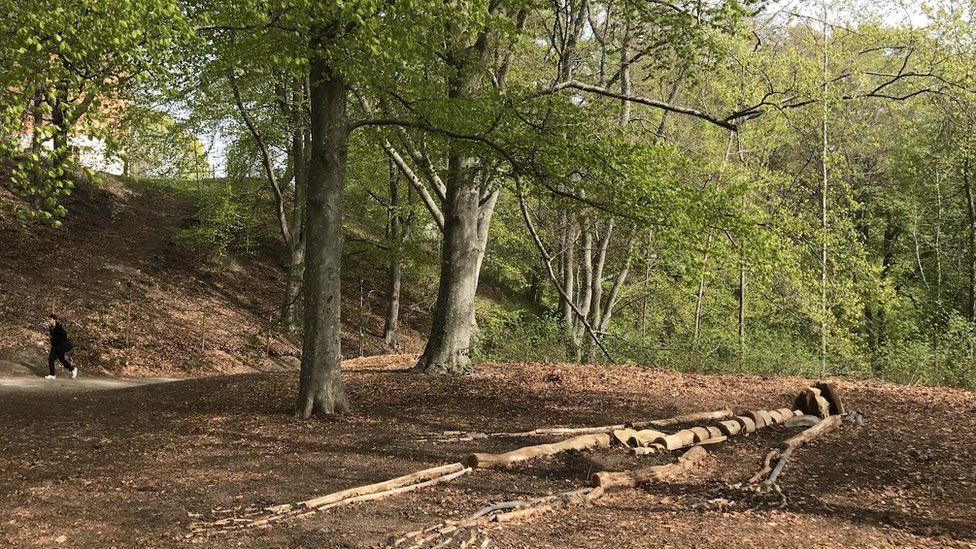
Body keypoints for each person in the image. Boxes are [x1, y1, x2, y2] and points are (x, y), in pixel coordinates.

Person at [45, 314, 78, 380]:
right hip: (55, 346)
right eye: (49, 319)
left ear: (54, 320)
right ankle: (52, 374)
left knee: (62, 360)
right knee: (51, 359)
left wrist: (60, 342)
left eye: (50, 319)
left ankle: (73, 369)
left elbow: (64, 335)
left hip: (60, 346)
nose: (49, 320)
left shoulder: (59, 327)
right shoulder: (51, 327)